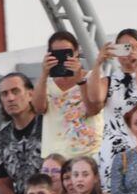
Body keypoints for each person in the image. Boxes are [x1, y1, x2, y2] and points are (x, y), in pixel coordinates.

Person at [89, 28, 137, 182]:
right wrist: (98, 63)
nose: (129, 52)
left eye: (133, 47)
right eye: (124, 48)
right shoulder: (108, 81)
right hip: (114, 154)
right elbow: (95, 99)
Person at [35, 31, 104, 161]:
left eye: (67, 53)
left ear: (77, 52)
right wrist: (44, 73)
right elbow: (38, 108)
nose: (63, 58)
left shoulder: (92, 77)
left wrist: (80, 80)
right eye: (57, 54)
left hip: (87, 155)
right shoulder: (47, 83)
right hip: (55, 158)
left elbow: (93, 109)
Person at [0, 72, 44, 194]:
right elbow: (2, 184)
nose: (10, 98)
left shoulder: (48, 126)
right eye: (4, 94)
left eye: (15, 91)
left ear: (30, 94)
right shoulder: (1, 139)